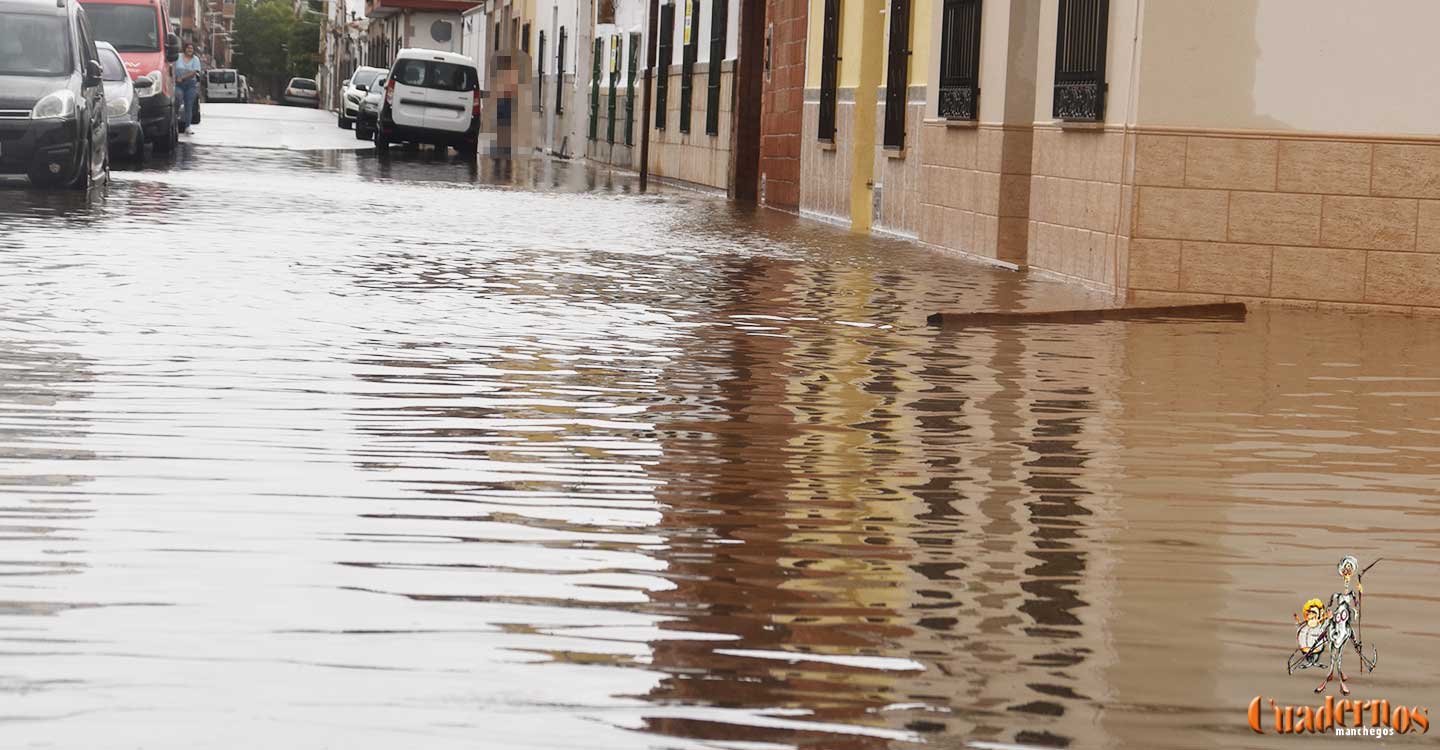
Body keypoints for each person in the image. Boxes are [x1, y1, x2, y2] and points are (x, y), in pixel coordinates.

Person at [174, 42, 202, 134]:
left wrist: (182, 77)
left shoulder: (195, 59)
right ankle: (174, 123)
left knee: (189, 105)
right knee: (177, 100)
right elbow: (172, 67)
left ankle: (187, 126)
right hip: (178, 84)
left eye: (192, 48)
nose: (190, 50)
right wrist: (175, 78)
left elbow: (194, 72)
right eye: (188, 48)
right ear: (184, 48)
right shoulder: (178, 57)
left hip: (190, 84)